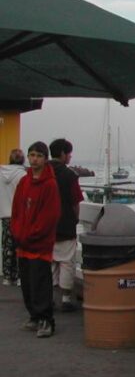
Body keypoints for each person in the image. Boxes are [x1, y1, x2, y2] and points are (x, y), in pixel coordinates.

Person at [11, 141, 61, 338]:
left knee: (40, 281)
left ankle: (46, 320)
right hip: (23, 242)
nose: (34, 159)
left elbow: (49, 216)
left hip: (39, 244)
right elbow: (16, 210)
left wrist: (31, 234)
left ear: (45, 159)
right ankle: (34, 315)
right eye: (32, 155)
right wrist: (17, 232)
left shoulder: (50, 184)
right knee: (27, 282)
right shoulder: (24, 182)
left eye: (39, 156)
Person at [49, 138, 84, 312]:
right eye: (69, 153)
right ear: (63, 153)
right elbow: (75, 201)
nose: (70, 157)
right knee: (66, 262)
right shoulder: (69, 175)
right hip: (65, 223)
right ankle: (65, 299)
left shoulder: (42, 172)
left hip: (44, 226)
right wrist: (75, 218)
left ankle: (48, 298)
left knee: (49, 262)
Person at [0, 148, 26, 286]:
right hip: (20, 215)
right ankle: (20, 277)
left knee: (7, 246)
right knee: (20, 246)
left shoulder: (1, 172)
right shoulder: (23, 175)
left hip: (5, 215)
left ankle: (7, 277)